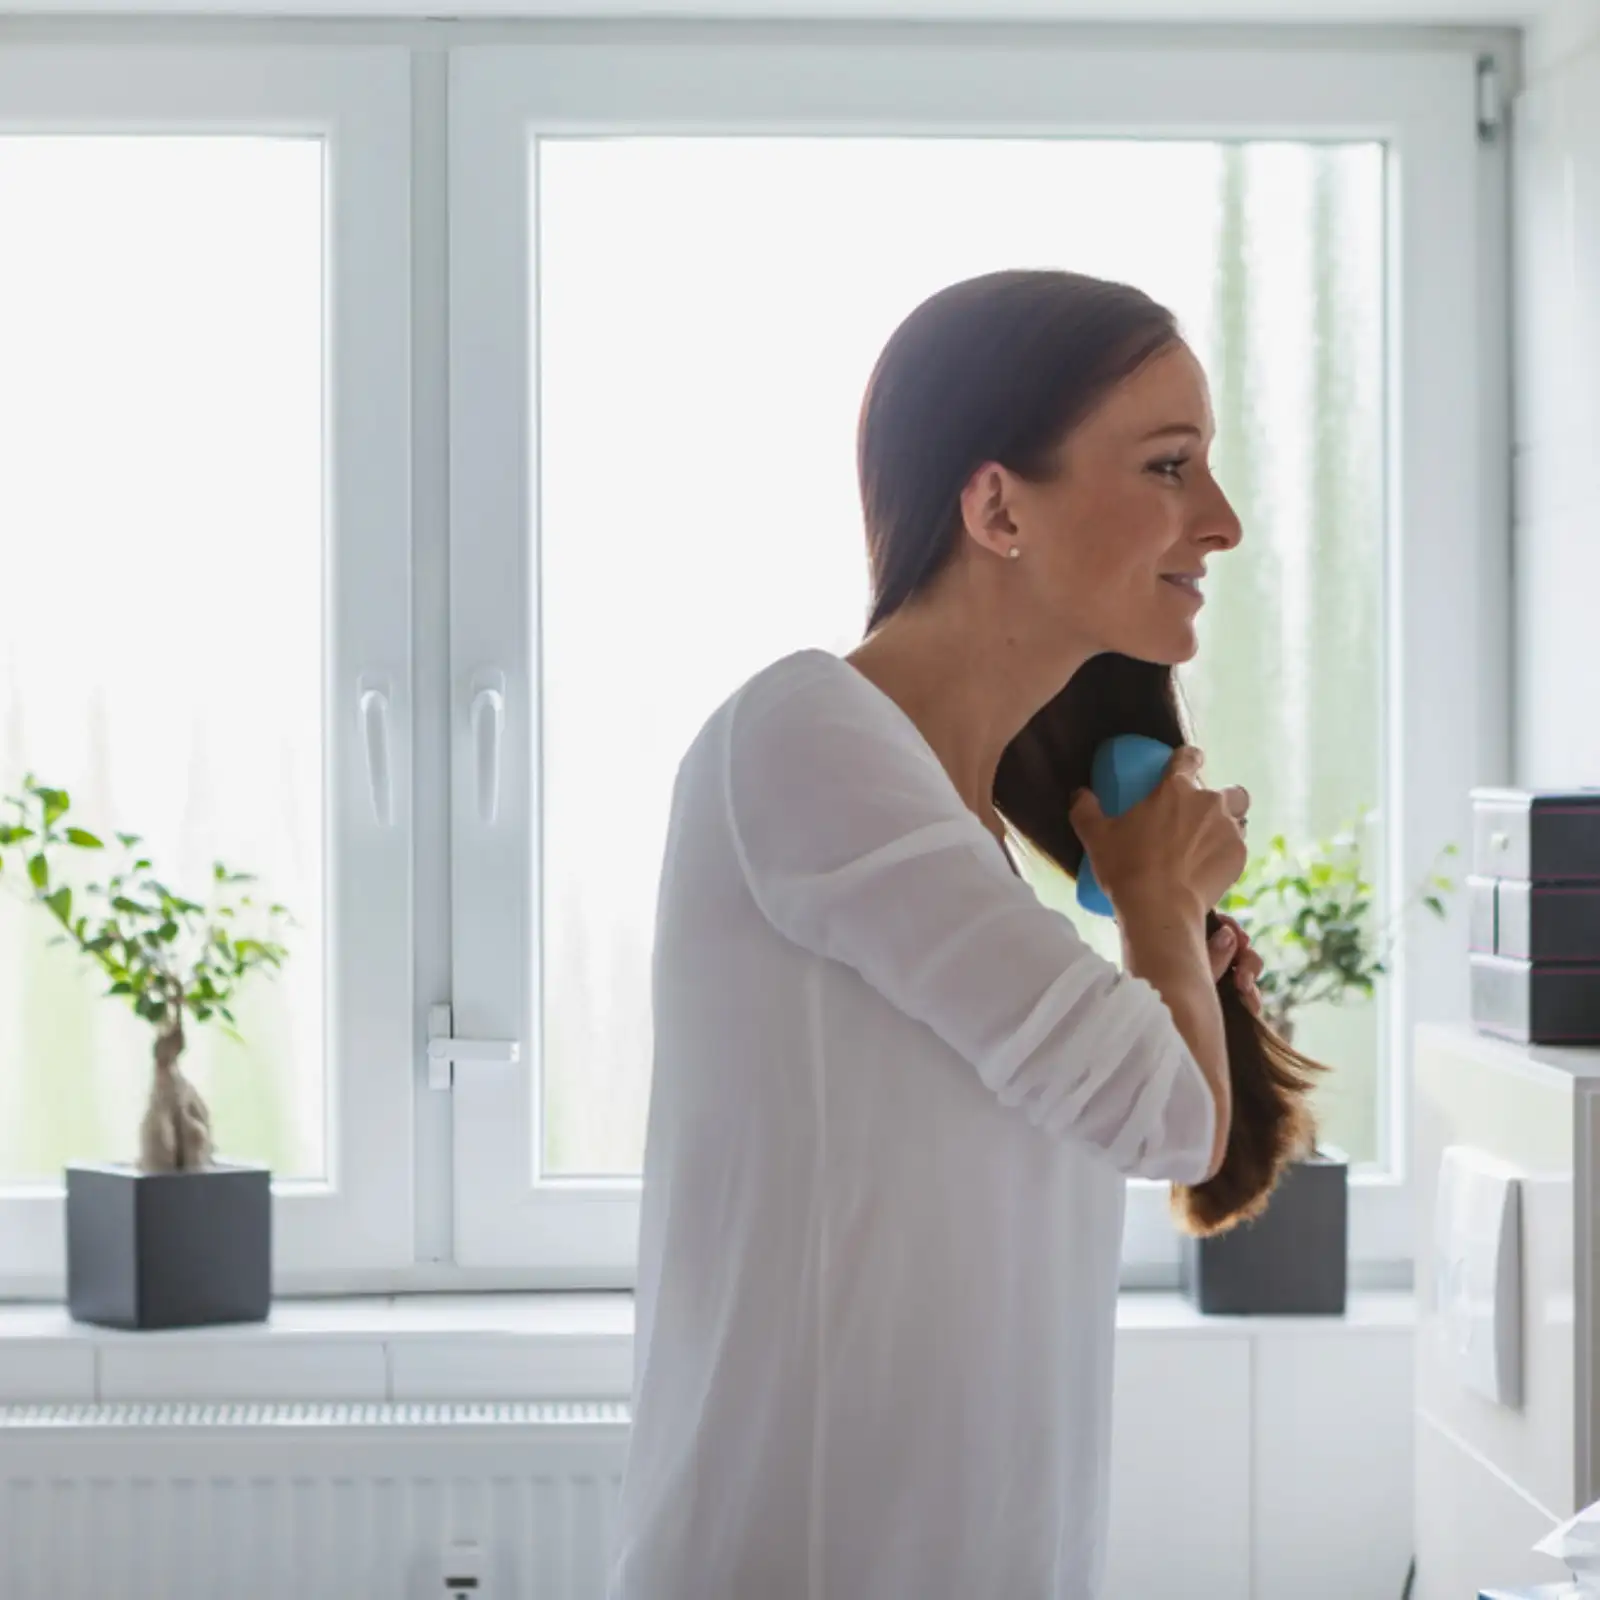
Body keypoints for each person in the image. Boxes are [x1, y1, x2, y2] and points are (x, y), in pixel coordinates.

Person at [607, 268, 1267, 1600]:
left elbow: (1164, 1128)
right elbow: (1173, 1121)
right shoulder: (803, 735)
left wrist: (1166, 942)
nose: (1224, 521)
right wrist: (1156, 905)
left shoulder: (956, 842)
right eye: (1168, 466)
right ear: (997, 506)